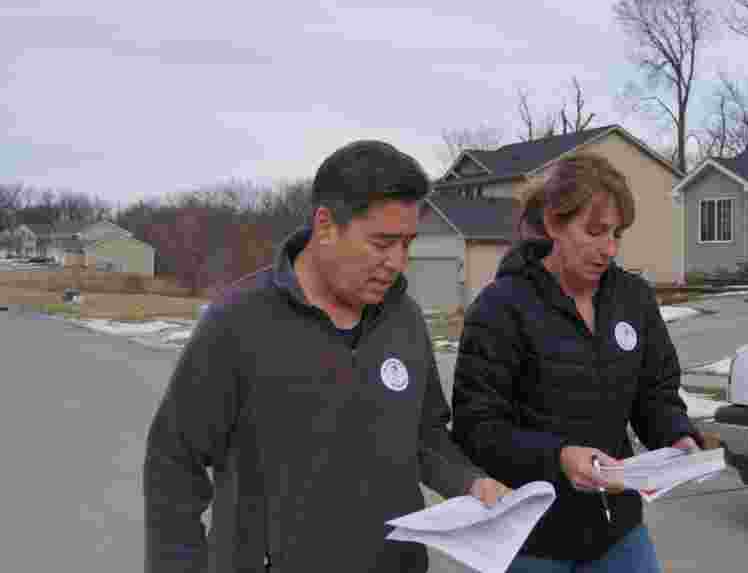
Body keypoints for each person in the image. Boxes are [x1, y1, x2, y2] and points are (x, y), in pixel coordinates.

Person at [144, 140, 510, 573]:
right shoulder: (239, 322)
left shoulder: (403, 318)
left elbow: (423, 435)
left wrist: (470, 482)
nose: (398, 262)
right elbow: (174, 462)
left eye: (407, 243)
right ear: (326, 226)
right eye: (382, 242)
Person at [451, 153, 705, 572]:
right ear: (553, 224)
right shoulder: (501, 308)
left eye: (617, 234)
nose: (609, 249)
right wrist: (558, 457)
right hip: (534, 541)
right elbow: (477, 428)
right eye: (594, 231)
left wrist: (675, 435)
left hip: (619, 532)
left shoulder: (633, 299)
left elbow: (654, 393)